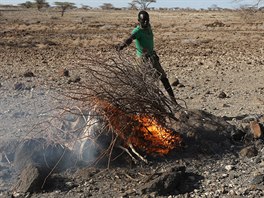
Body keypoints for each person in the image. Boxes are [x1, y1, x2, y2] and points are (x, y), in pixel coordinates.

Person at [115, 10, 177, 104]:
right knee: (145, 83)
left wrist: (153, 52)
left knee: (164, 78)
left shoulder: (148, 27)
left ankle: (174, 102)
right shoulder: (137, 31)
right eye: (143, 20)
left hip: (152, 57)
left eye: (147, 20)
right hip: (143, 60)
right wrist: (122, 46)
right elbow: (130, 39)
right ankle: (143, 103)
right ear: (138, 20)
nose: (146, 22)